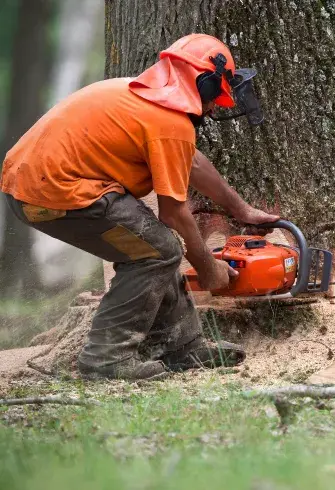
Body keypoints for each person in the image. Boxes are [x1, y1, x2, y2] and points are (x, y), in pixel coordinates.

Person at [0, 34, 278, 381]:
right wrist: (208, 268)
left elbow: (191, 162)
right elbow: (174, 214)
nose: (214, 107)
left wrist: (241, 210)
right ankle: (105, 359)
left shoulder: (141, 98)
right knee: (158, 250)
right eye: (215, 97)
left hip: (30, 188)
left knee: (153, 247)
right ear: (204, 85)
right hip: (58, 192)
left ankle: (181, 345)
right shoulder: (169, 123)